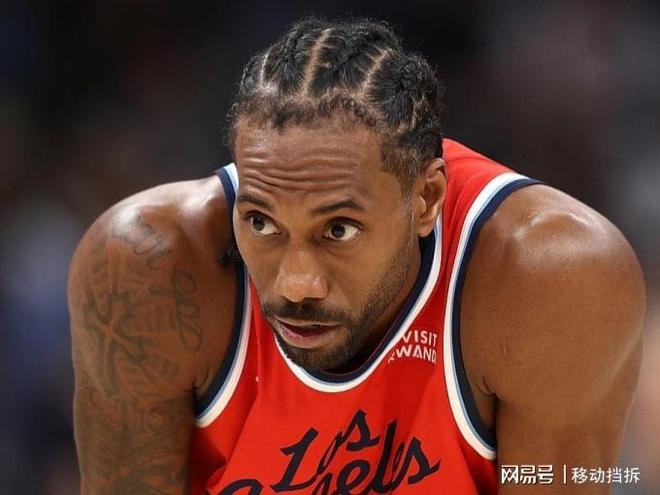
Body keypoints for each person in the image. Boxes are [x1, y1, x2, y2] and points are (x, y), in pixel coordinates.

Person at [68, 18, 645, 495]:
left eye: (338, 230)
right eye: (262, 223)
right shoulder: (147, 267)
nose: (296, 284)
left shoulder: (553, 279)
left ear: (426, 200)